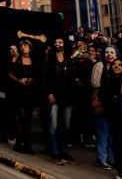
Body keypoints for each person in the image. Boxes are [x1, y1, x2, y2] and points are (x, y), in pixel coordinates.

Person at [40, 37, 78, 166]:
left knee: (66, 127)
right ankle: (54, 152)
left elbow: (73, 80)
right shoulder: (49, 59)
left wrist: (73, 98)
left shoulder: (69, 60)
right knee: (53, 126)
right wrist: (49, 93)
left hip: (66, 99)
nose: (57, 44)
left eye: (60, 42)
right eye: (55, 42)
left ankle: (64, 152)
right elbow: (43, 78)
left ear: (64, 45)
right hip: (53, 98)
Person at [8, 40, 38, 154]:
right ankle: (18, 143)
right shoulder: (17, 58)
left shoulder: (32, 60)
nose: (23, 47)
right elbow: (10, 74)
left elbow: (36, 74)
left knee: (28, 119)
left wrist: (32, 79)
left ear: (30, 48)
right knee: (21, 116)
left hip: (29, 92)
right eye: (22, 46)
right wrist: (19, 81)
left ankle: (27, 144)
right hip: (18, 92)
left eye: (26, 46)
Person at [91, 45, 118, 169]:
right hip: (102, 102)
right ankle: (101, 159)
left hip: (114, 105)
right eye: (107, 52)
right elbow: (95, 83)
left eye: (112, 52)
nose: (109, 54)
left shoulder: (118, 66)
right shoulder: (100, 65)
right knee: (102, 132)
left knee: (112, 134)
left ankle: (111, 158)